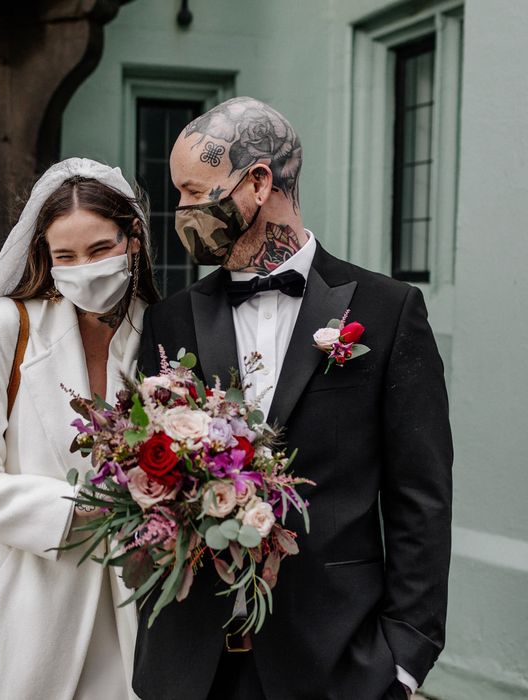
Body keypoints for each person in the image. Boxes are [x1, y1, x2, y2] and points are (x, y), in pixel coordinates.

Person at [133, 97, 453, 700]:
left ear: (257, 182)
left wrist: (405, 657)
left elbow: (422, 497)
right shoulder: (170, 321)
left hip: (336, 662)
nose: (182, 212)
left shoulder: (388, 312)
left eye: (194, 191)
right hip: (191, 669)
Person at [0, 158, 159, 700]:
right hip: (18, 605)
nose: (85, 268)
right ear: (46, 258)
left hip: (129, 608)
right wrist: (78, 511)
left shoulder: (160, 331)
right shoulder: (3, 327)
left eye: (100, 250)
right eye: (66, 257)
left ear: (133, 240)